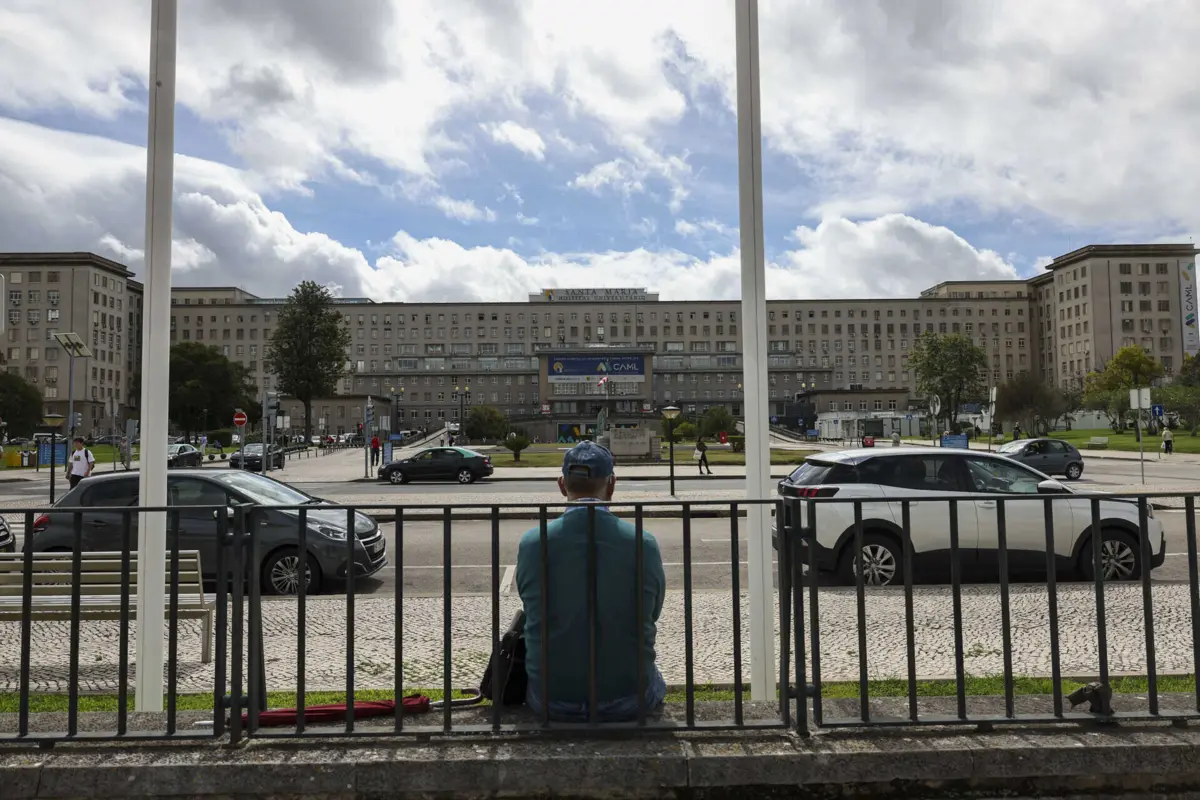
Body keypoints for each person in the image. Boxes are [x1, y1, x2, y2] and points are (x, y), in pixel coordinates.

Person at [516, 442, 667, 722]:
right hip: (629, 694)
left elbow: (531, 604)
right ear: (611, 485)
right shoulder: (642, 543)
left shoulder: (533, 543)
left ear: (562, 486)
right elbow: (652, 610)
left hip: (552, 696)